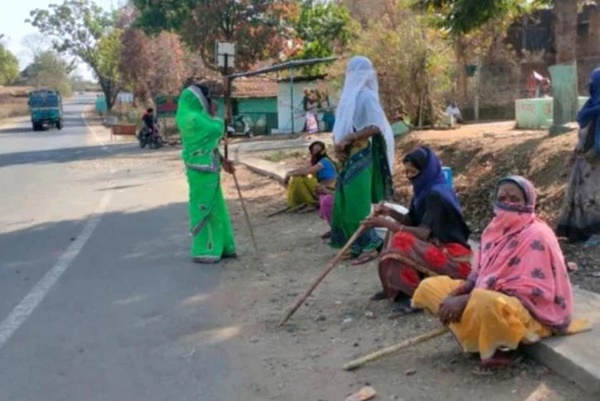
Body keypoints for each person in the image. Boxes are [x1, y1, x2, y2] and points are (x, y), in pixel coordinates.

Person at [412, 176, 589, 374]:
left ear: (528, 202)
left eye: (514, 199)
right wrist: (457, 294)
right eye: (502, 197)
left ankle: (504, 350)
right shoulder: (494, 229)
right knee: (430, 287)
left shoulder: (537, 234)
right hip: (486, 295)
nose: (507, 203)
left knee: (485, 300)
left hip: (530, 311)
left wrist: (466, 300)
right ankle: (477, 336)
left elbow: (528, 290)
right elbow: (478, 274)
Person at [363, 146, 471, 314]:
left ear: (426, 171)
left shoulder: (437, 194)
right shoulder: (423, 190)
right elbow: (412, 220)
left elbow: (423, 233)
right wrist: (389, 213)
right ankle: (395, 288)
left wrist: (385, 223)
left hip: (453, 254)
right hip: (433, 245)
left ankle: (413, 296)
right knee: (395, 232)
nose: (409, 177)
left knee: (401, 238)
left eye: (412, 172)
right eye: (406, 172)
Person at [330, 56, 395, 265]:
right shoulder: (348, 97)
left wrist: (349, 138)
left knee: (357, 201)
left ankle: (372, 245)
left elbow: (375, 126)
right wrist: (338, 145)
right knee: (344, 200)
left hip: (362, 153)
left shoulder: (367, 97)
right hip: (348, 154)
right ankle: (354, 244)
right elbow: (342, 126)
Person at [175, 84, 236, 263]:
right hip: (199, 170)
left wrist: (224, 161)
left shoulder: (198, 116)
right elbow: (215, 130)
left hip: (209, 166)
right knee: (204, 207)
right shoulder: (191, 118)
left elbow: (211, 144)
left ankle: (224, 246)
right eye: (208, 99)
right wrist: (218, 118)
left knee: (217, 207)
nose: (210, 102)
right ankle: (205, 248)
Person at [557, 68, 600, 242]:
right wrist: (573, 158)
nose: (589, 85)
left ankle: (595, 232)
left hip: (596, 163)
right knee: (580, 197)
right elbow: (583, 133)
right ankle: (580, 233)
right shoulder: (591, 107)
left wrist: (596, 152)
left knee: (593, 199)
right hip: (583, 162)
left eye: (593, 82)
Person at [284, 141, 337, 209]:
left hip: (330, 184)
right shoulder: (315, 162)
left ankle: (330, 195)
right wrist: (290, 173)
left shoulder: (324, 161)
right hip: (322, 183)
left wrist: (289, 174)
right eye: (313, 150)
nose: (315, 152)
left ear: (322, 151)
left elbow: (307, 171)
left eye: (317, 150)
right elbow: (303, 169)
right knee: (298, 178)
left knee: (304, 178)